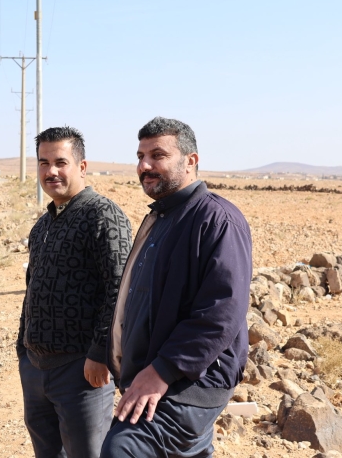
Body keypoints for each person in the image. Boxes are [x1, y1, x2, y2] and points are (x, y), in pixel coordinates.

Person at [102, 117, 253, 458]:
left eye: (158, 155)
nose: (144, 166)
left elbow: (222, 312)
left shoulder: (216, 219)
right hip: (158, 376)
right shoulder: (163, 218)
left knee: (122, 446)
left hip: (188, 382)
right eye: (140, 156)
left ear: (190, 161)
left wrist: (162, 370)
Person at [16, 126, 133, 458]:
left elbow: (120, 288)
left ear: (81, 167)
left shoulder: (103, 215)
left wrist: (100, 353)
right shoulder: (43, 224)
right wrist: (23, 347)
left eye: (60, 162)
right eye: (43, 163)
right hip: (36, 368)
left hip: (82, 373)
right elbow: (32, 287)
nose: (51, 171)